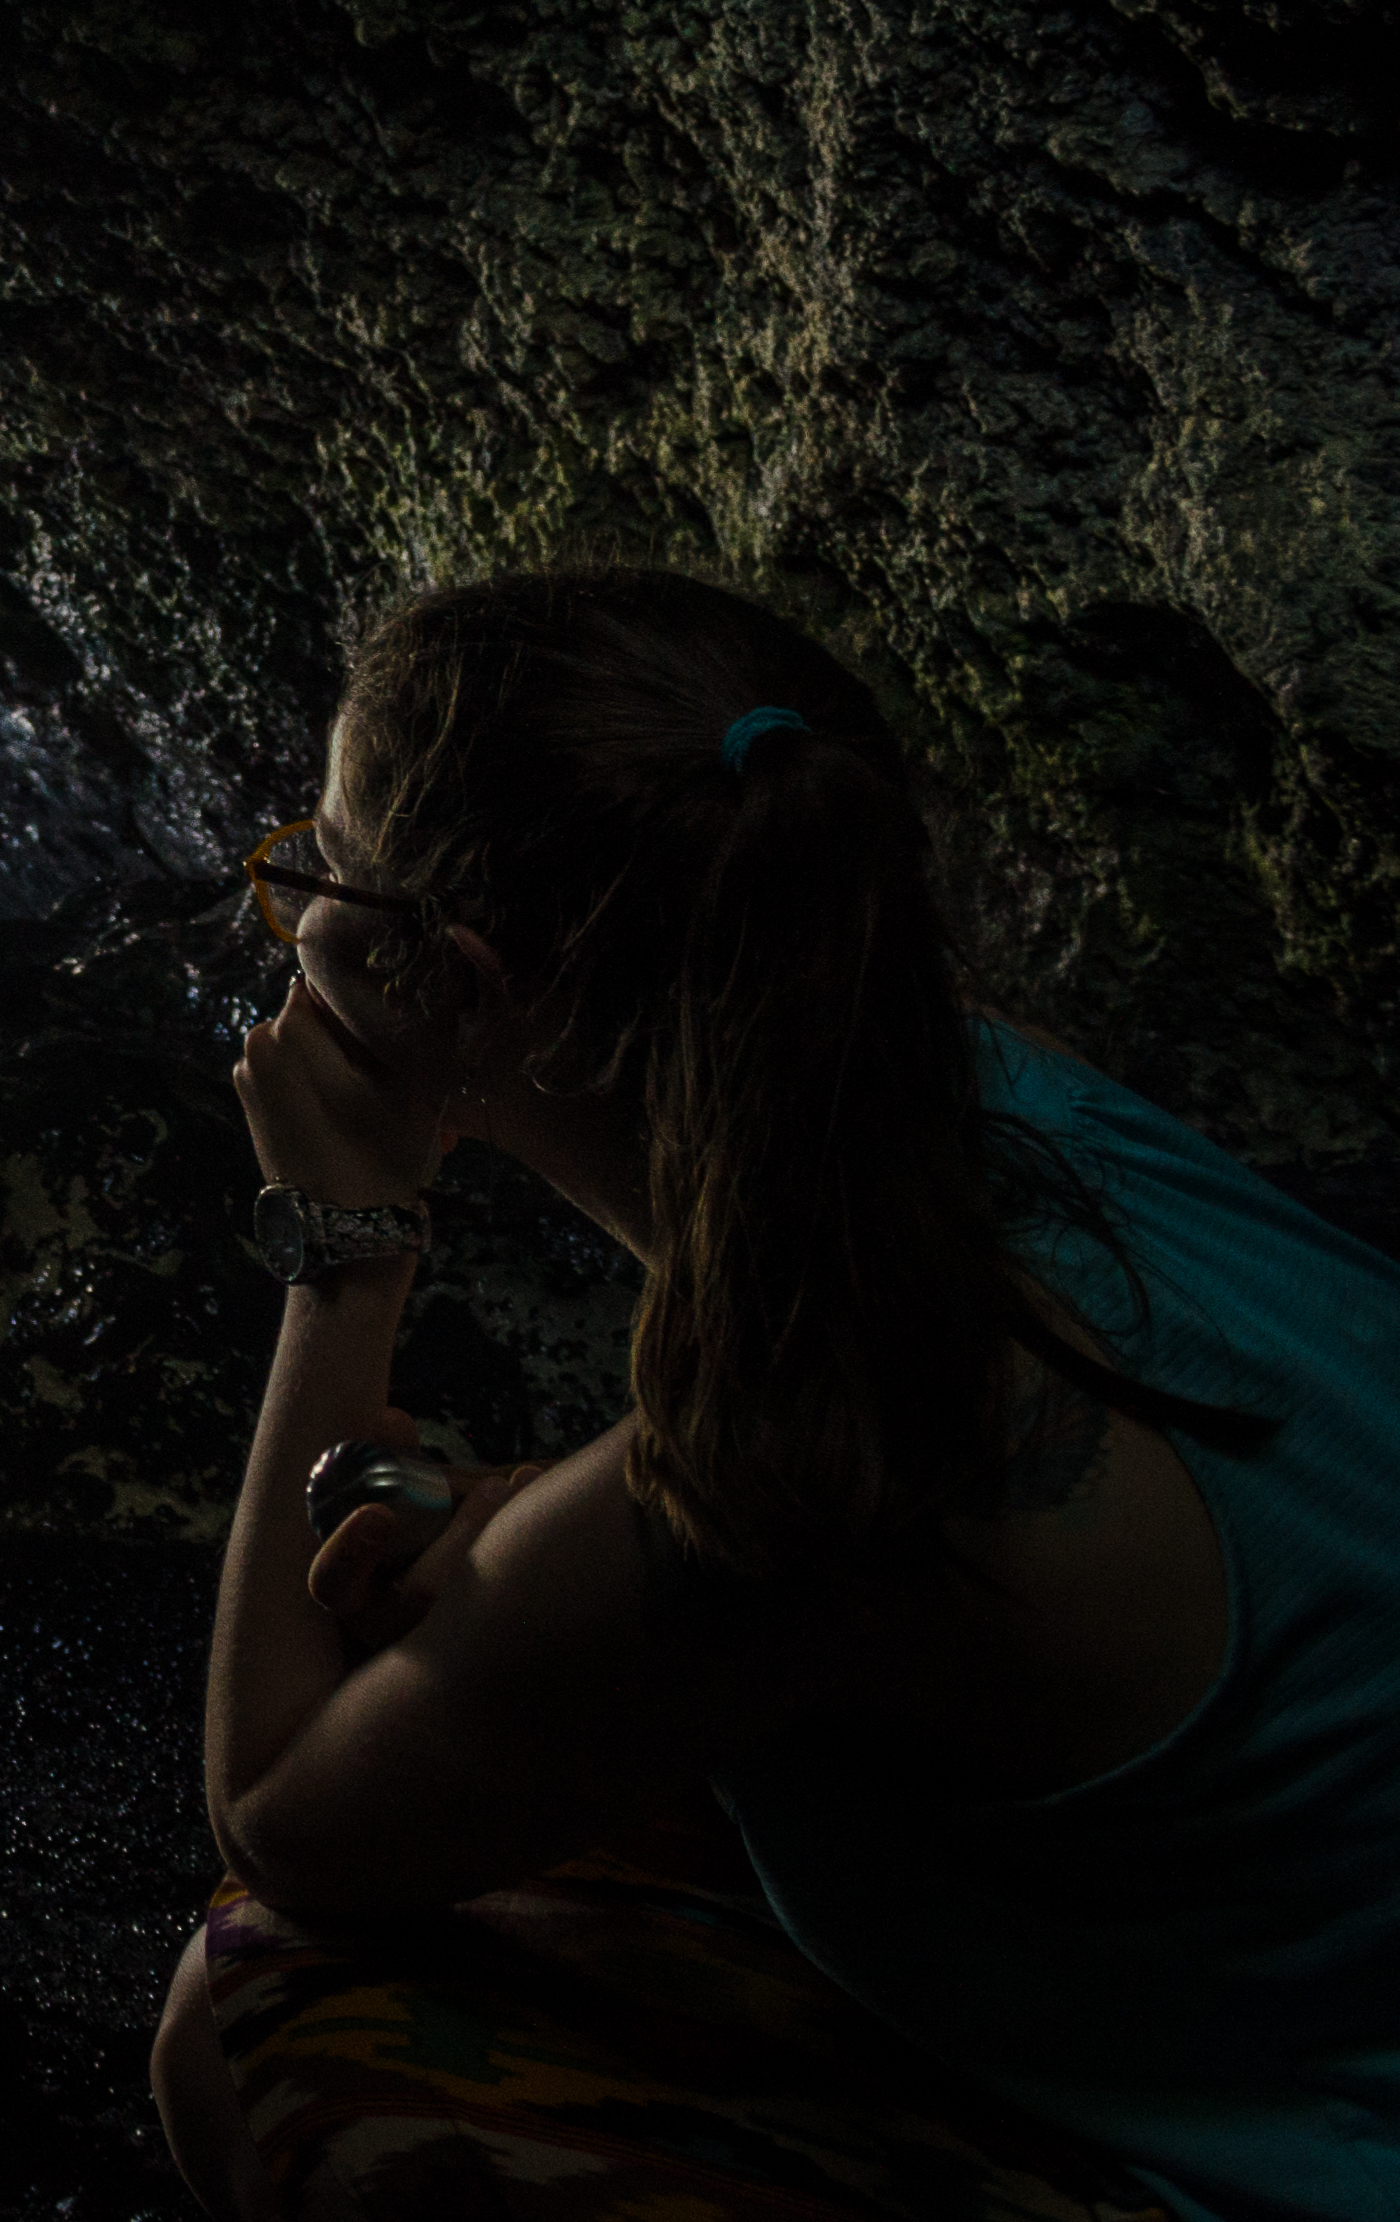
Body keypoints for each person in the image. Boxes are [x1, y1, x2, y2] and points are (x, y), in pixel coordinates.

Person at [152, 568, 1400, 2221]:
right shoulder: (977, 1089)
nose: (294, 908)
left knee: (266, 2000)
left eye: (313, 862)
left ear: (454, 976)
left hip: (1344, 2142)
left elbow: (288, 1813)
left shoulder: (824, 1432)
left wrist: (346, 1247)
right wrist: (517, 1538)